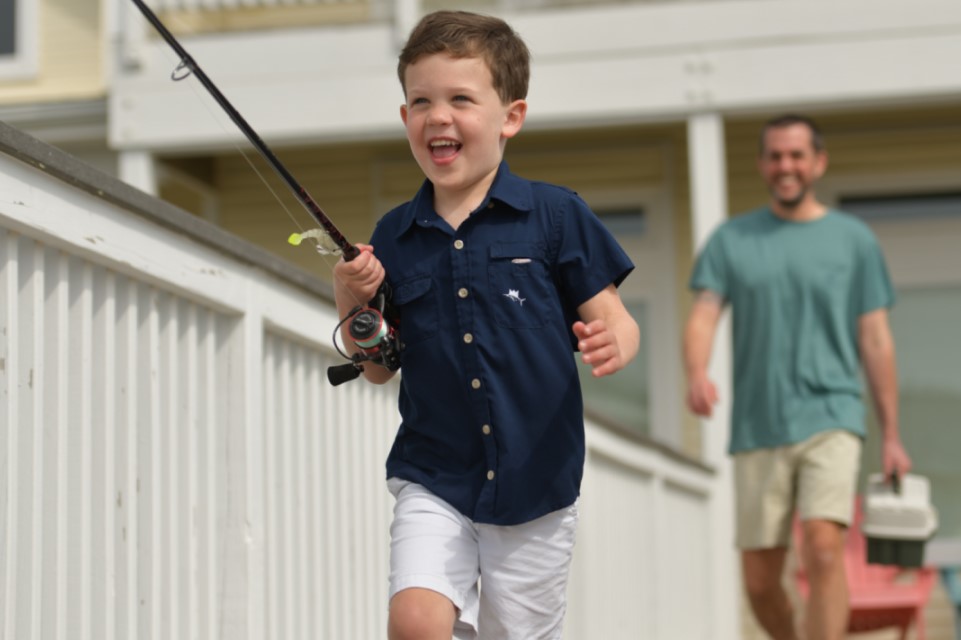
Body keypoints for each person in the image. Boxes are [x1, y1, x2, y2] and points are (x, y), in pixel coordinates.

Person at [332, 11, 640, 640]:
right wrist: (350, 298)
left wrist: (615, 342)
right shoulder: (395, 233)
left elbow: (618, 320)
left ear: (510, 117)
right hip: (434, 474)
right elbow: (375, 366)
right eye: (421, 101)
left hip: (537, 484)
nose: (438, 116)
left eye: (460, 99)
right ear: (404, 120)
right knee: (415, 623)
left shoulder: (555, 214)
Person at [683, 113, 913, 640]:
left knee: (824, 547)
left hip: (832, 414)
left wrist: (893, 435)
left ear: (818, 162)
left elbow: (876, 340)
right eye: (776, 156)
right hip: (759, 425)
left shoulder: (853, 240)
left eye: (796, 156)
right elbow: (703, 314)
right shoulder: (731, 240)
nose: (786, 166)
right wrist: (697, 371)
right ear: (763, 164)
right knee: (761, 581)